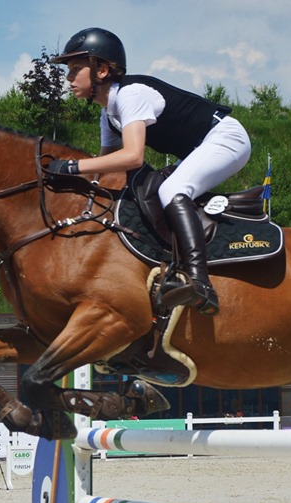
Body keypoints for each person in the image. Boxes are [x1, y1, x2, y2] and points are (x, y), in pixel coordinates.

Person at [50, 27, 252, 316]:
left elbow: (132, 156)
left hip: (226, 138)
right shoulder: (108, 115)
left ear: (102, 70)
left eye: (74, 69)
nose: (68, 78)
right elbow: (107, 167)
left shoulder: (132, 95)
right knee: (152, 192)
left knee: (171, 190)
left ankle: (200, 282)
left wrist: (73, 166)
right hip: (199, 147)